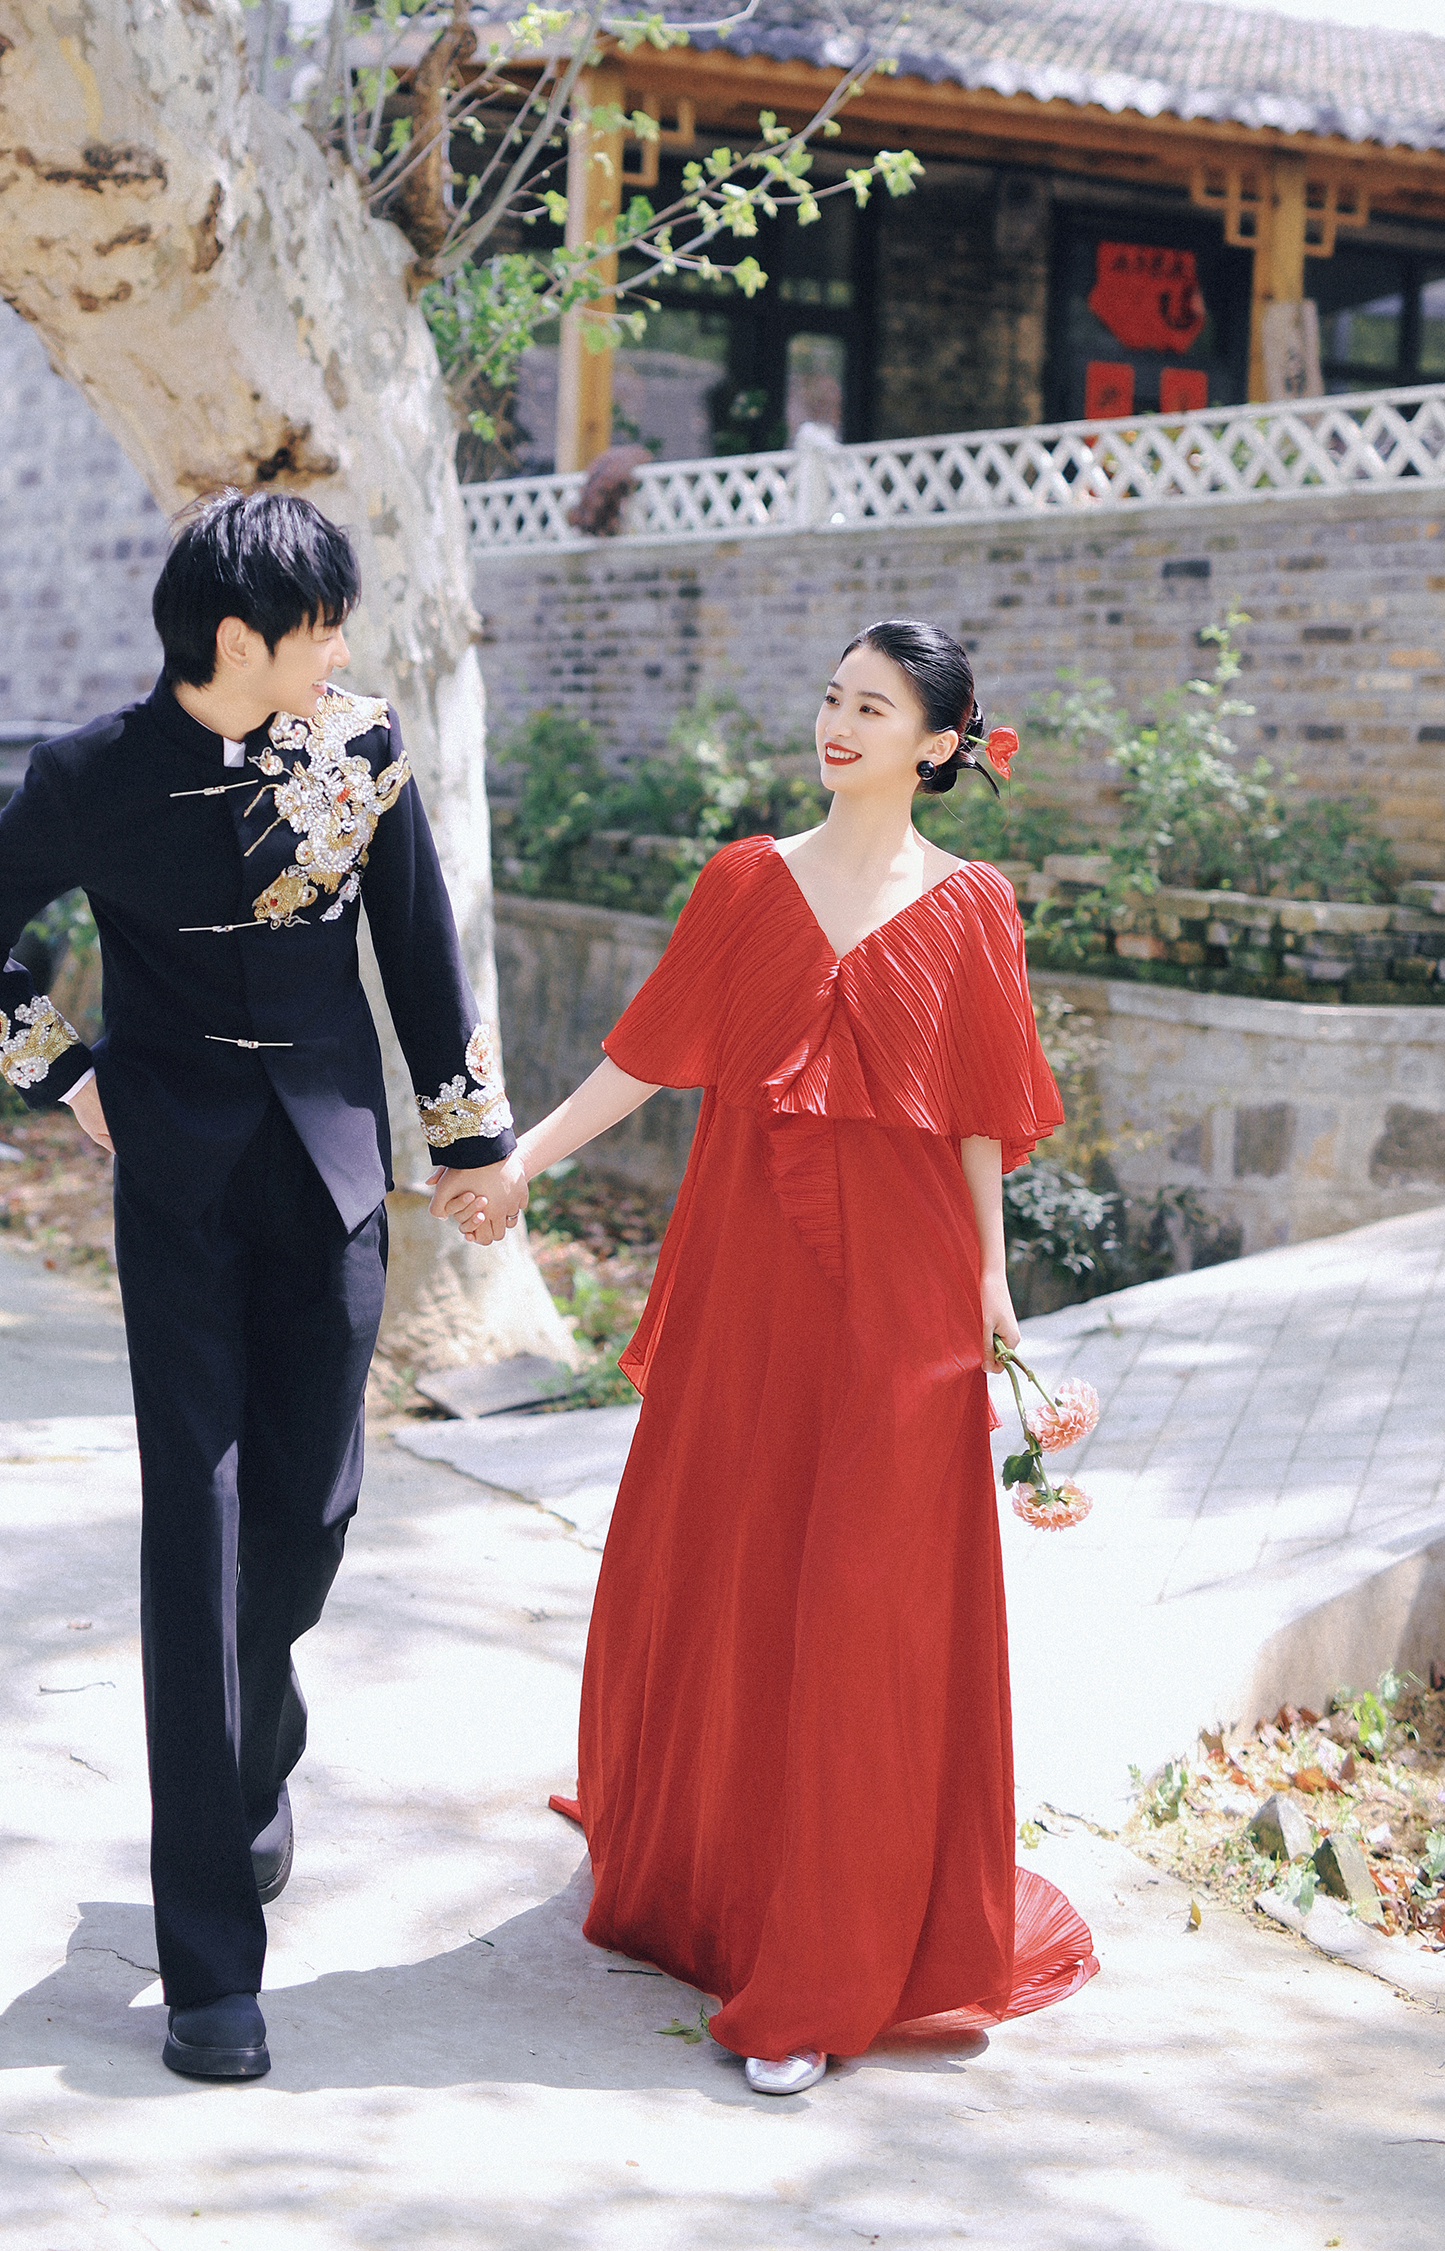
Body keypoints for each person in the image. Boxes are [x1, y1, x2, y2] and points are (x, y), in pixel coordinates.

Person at [430, 620, 1099, 2093]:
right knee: (739, 1555)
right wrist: (523, 1158)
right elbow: (646, 1052)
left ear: (939, 743)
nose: (838, 724)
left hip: (908, 1293)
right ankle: (724, 1885)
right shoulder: (746, 881)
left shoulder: (974, 907)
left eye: (875, 707)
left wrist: (991, 1281)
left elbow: (981, 1112)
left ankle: (826, 1966)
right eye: (831, 698)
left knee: (872, 1597)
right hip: (749, 1280)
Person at [0, 490, 518, 2083]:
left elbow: (421, 954)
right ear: (238, 639)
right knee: (198, 1532)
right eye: (321, 627)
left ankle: (257, 1749)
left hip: (330, 1167)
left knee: (306, 1520)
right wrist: (68, 1080)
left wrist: (470, 1143)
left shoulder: (360, 749)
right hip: (176, 1184)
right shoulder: (90, 776)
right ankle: (208, 1964)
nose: (342, 650)